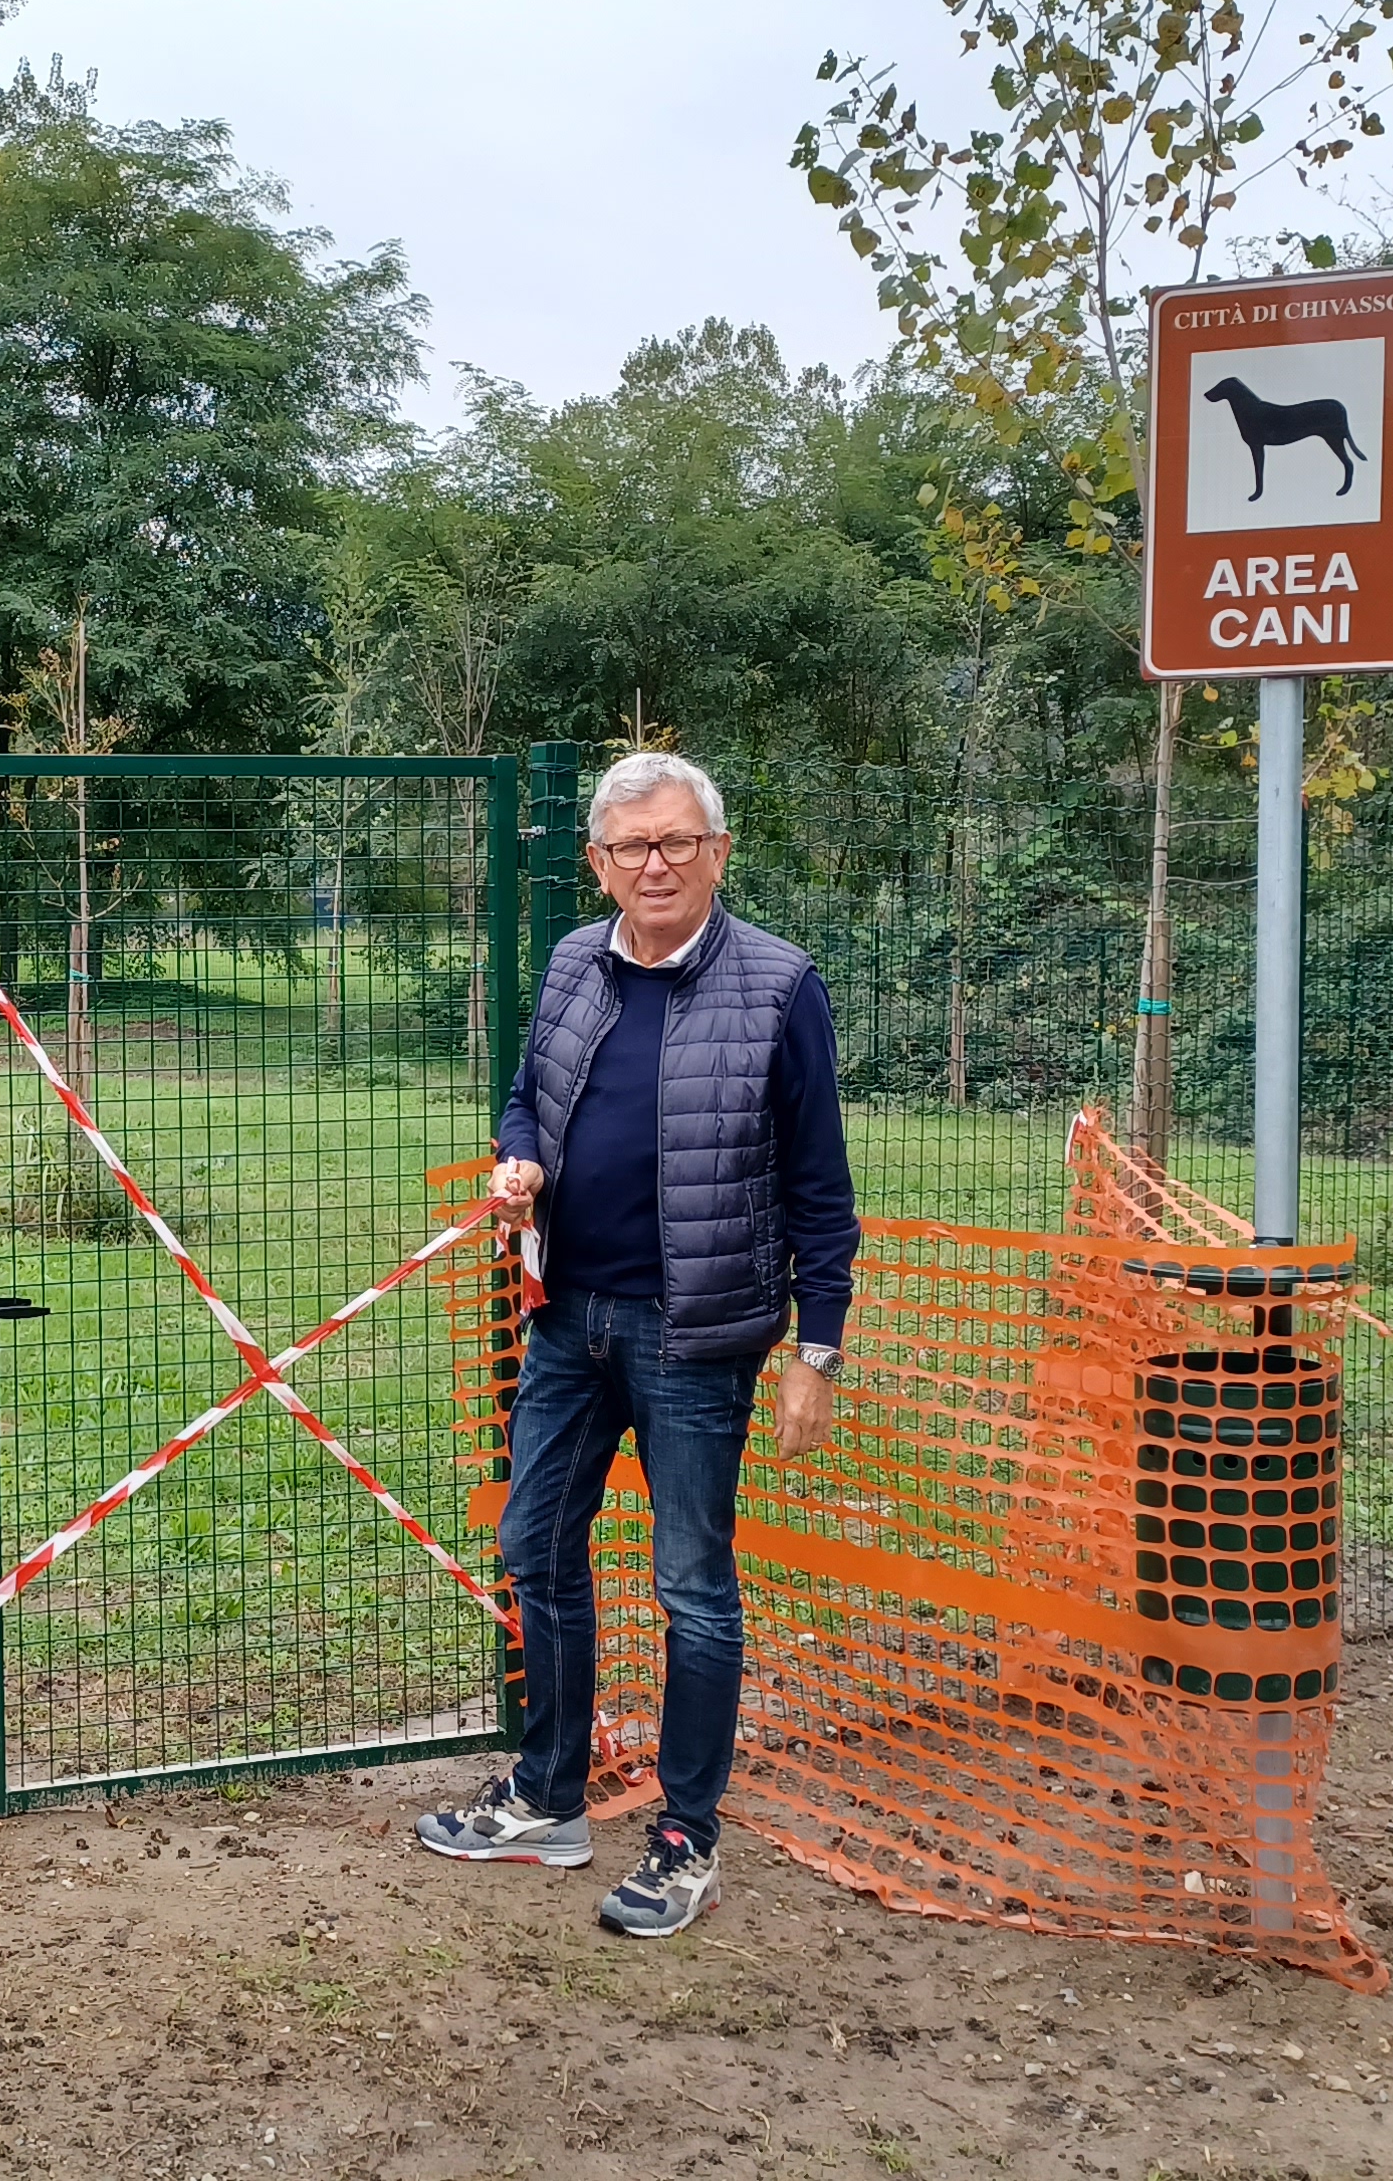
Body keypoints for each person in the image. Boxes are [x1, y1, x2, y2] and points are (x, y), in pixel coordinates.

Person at [413, 749, 858, 1937]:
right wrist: (520, 1161)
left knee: (692, 1588)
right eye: (628, 848)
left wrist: (817, 1352)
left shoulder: (777, 985)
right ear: (597, 864)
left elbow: (821, 1186)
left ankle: (683, 1839)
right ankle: (550, 1796)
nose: (652, 866)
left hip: (695, 1337)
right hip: (567, 1319)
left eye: (675, 843)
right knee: (534, 1546)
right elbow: (527, 1096)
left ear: (717, 852)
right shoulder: (570, 963)